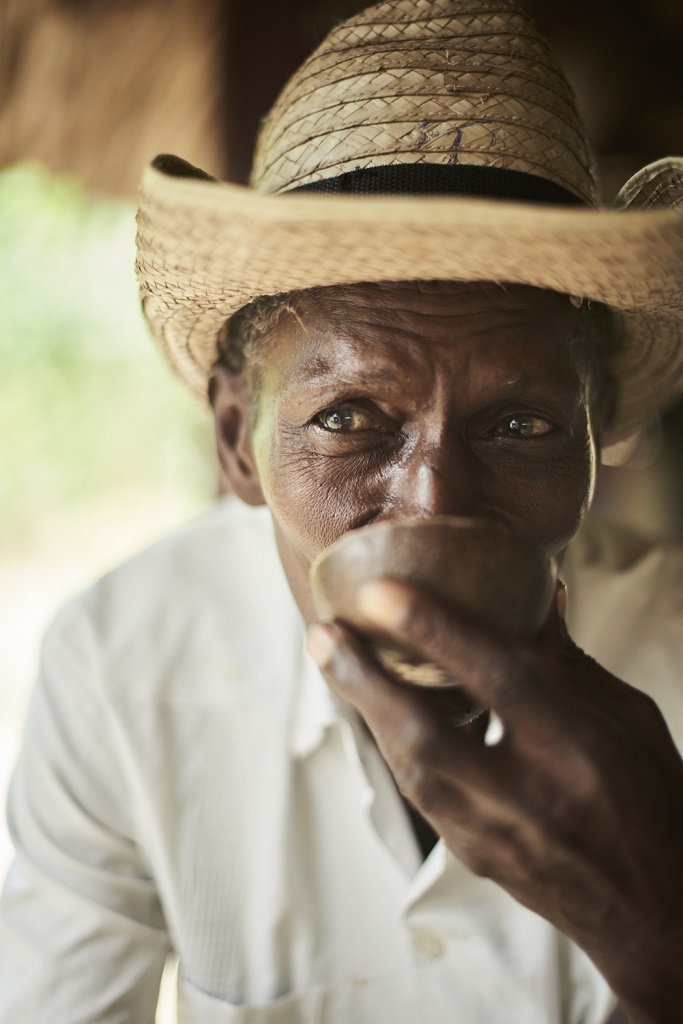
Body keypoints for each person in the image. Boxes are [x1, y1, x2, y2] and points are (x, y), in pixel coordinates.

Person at [2, 1, 683, 1021]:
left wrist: (659, 933)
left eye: (521, 426)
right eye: (350, 416)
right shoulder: (125, 669)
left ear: (594, 449)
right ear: (236, 441)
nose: (432, 503)